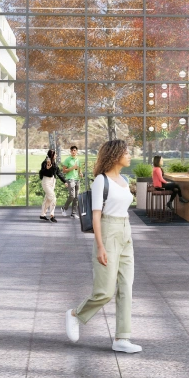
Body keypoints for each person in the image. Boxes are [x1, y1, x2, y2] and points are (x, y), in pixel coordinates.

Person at [65, 139, 141, 353]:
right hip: (108, 232)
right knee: (105, 292)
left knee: (126, 288)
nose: (129, 155)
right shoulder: (101, 181)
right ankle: (75, 315)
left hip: (126, 233)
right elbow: (96, 216)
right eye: (126, 152)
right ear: (115, 155)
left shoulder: (124, 180)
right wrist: (100, 246)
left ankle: (121, 338)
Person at [60, 144, 83, 216]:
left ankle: (73, 213)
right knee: (72, 196)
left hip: (77, 180)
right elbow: (64, 171)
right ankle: (64, 208)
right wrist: (72, 168)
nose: (73, 151)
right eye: (72, 150)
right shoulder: (67, 160)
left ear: (77, 151)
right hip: (70, 179)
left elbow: (79, 170)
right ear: (70, 151)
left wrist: (81, 174)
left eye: (74, 150)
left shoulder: (78, 160)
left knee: (76, 197)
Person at [38, 150, 60, 222]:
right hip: (46, 182)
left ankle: (42, 215)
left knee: (47, 199)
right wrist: (47, 169)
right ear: (51, 155)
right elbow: (42, 172)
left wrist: (65, 181)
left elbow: (58, 173)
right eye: (55, 154)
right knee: (53, 197)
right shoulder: (45, 163)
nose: (56, 155)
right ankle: (52, 215)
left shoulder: (54, 163)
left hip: (52, 182)